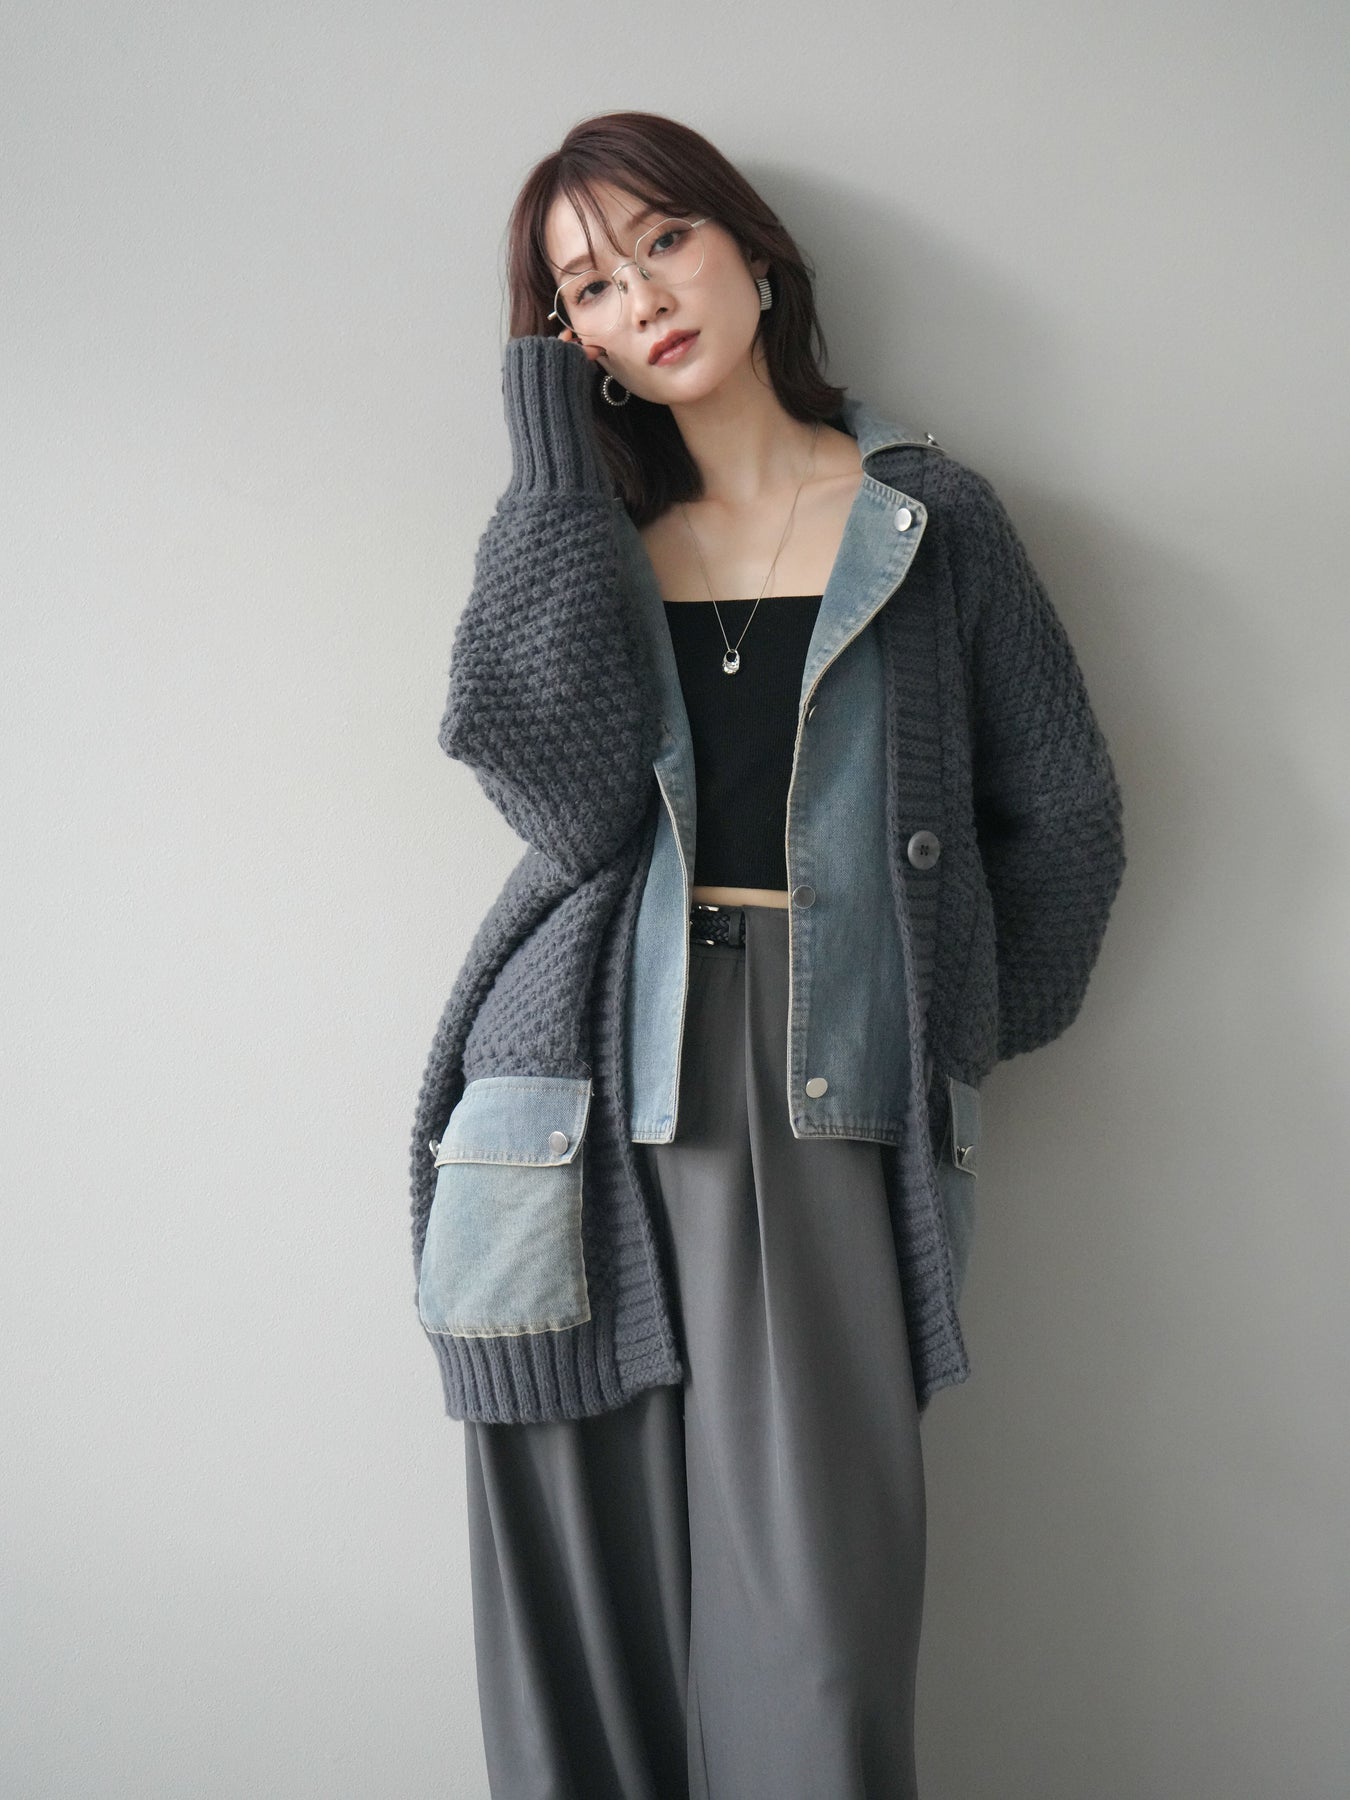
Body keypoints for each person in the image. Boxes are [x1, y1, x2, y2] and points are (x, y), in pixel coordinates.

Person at [407, 109, 1127, 1800]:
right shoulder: (582, 540)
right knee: (577, 1626)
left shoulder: (925, 519)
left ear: (749, 248)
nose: (642, 298)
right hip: (568, 1097)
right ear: (566, 342)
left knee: (816, 1634)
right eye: (586, 288)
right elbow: (559, 803)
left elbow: (1065, 814)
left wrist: (949, 1024)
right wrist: (551, 459)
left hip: (816, 1076)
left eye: (663, 242)